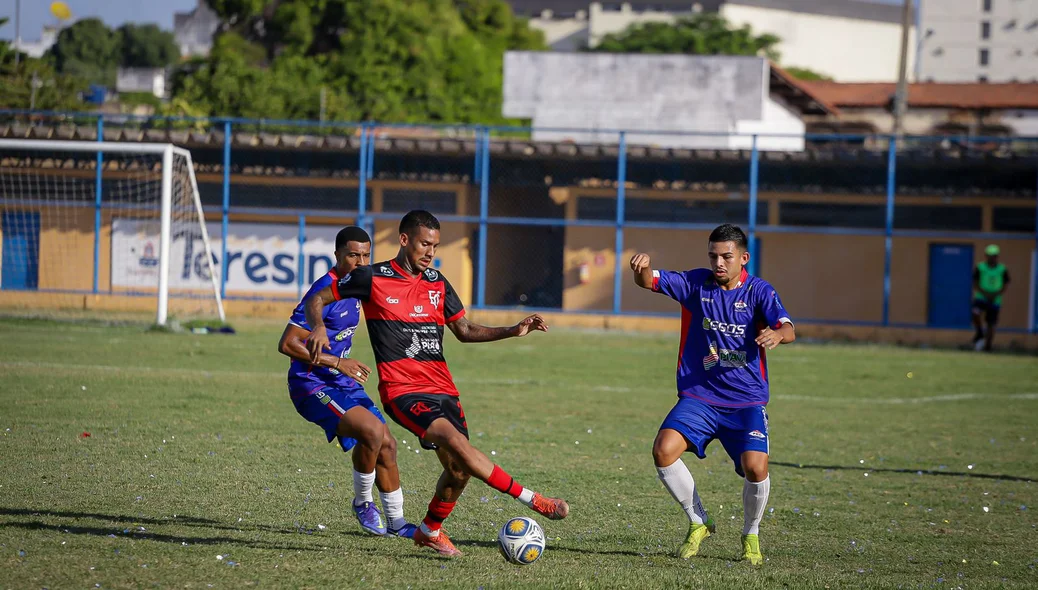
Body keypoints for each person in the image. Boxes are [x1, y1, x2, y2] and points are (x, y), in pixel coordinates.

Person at [303, 210, 569, 557]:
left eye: (435, 246)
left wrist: (512, 330)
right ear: (404, 240)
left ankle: (430, 530)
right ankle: (535, 500)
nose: (430, 252)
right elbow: (317, 299)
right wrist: (319, 327)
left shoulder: (437, 282)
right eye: (424, 244)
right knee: (456, 444)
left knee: (458, 471)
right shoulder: (372, 277)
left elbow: (465, 330)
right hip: (404, 391)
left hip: (444, 390)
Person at [629, 223, 795, 566]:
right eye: (713, 255)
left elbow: (788, 327)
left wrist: (778, 335)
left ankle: (750, 534)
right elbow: (647, 281)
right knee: (663, 451)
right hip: (700, 397)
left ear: (743, 258)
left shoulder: (759, 292)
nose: (718, 262)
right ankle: (698, 521)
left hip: (746, 401)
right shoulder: (694, 284)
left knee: (755, 467)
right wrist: (642, 267)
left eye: (726, 256)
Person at [278, 226, 415, 538]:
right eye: (353, 254)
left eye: (366, 255)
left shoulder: (360, 283)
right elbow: (287, 343)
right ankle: (363, 503)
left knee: (387, 445)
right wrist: (337, 361)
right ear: (337, 255)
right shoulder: (324, 290)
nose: (360, 261)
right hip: (310, 384)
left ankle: (398, 524)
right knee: (372, 431)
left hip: (342, 382)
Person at [972, 244, 1010, 352]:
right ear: (986, 255)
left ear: (997, 256)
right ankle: (979, 332)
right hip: (981, 297)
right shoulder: (980, 267)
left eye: (994, 255)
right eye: (989, 255)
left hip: (995, 300)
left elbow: (1006, 284)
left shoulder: (1002, 269)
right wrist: (985, 293)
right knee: (975, 313)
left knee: (991, 324)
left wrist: (996, 294)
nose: (992, 257)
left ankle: (988, 347)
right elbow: (975, 283)